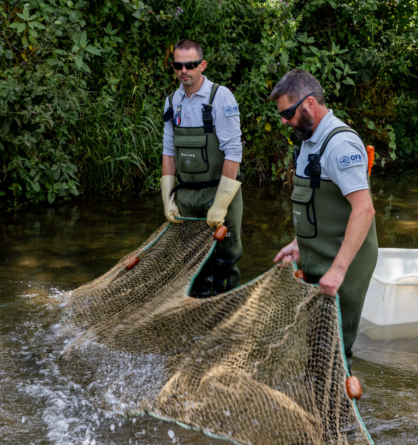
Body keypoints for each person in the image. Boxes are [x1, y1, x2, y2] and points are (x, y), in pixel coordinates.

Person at [270, 69, 378, 363]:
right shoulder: (308, 140)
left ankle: (334, 406)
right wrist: (297, 243)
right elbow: (315, 205)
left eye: (288, 112)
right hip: (317, 257)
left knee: (333, 352)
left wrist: (339, 271)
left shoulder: (340, 145)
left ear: (309, 104)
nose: (284, 120)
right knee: (314, 347)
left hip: (343, 264)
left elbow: (364, 209)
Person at [160, 38, 244, 297]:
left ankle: (226, 320)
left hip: (220, 195)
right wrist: (167, 199)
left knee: (223, 265)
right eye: (178, 65)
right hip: (186, 198)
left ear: (202, 65)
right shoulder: (171, 101)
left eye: (191, 65)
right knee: (192, 267)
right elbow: (168, 152)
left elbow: (233, 153)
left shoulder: (221, 97)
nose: (184, 71)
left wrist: (220, 204)